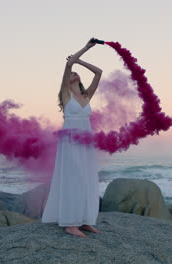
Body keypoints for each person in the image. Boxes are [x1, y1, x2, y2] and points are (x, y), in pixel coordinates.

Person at [41, 38, 103, 238]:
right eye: (72, 74)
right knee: (73, 178)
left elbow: (99, 72)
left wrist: (81, 63)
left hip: (86, 141)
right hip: (69, 141)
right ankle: (70, 223)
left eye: (77, 73)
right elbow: (69, 64)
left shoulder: (86, 96)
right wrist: (86, 48)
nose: (74, 73)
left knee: (86, 179)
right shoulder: (66, 93)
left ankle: (84, 220)